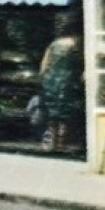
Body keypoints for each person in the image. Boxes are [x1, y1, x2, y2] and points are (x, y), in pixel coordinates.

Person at [37, 20, 84, 152]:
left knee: (53, 114)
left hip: (52, 81)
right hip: (69, 81)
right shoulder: (77, 44)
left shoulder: (54, 44)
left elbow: (44, 65)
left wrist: (44, 78)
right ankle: (62, 141)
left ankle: (52, 141)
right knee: (66, 114)